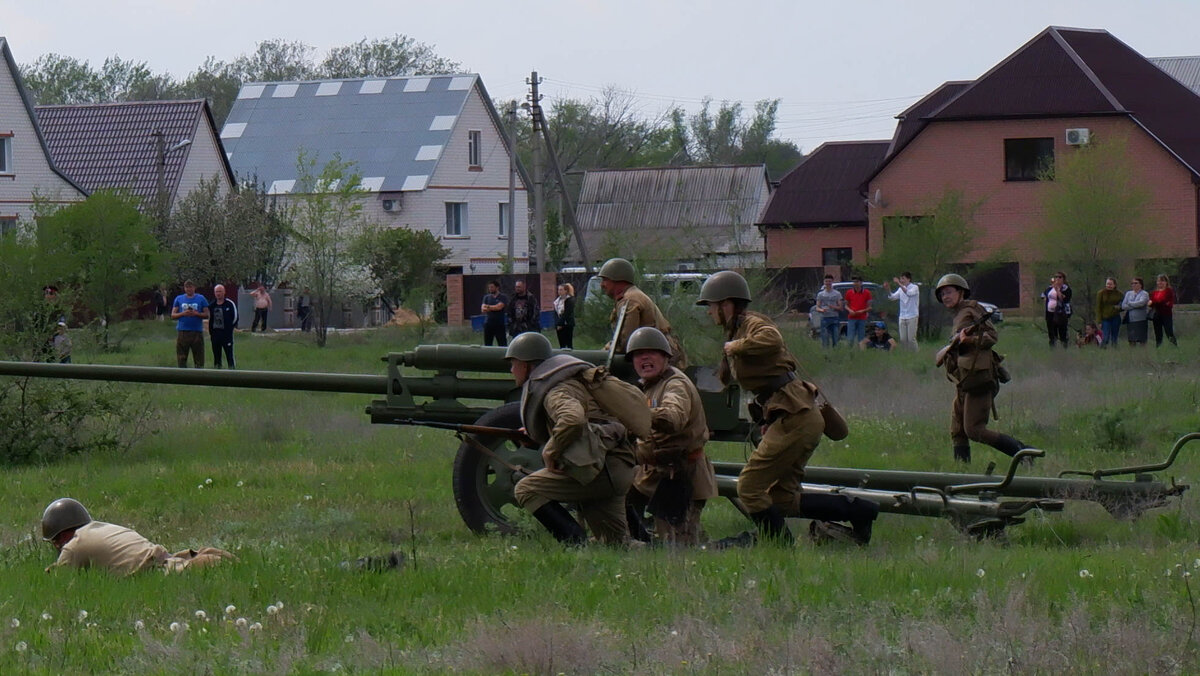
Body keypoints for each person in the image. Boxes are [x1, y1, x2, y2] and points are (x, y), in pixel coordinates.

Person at [696, 271, 878, 547]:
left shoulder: (752, 324)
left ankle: (780, 547)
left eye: (711, 305)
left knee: (748, 487)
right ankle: (859, 511)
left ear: (727, 303)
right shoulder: (737, 329)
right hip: (791, 415)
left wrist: (736, 346)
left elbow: (772, 340)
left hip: (797, 416)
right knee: (781, 498)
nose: (709, 312)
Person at [508, 332, 637, 545]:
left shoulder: (555, 391)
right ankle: (672, 552)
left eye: (513, 363)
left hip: (597, 471)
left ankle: (575, 545)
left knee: (526, 488)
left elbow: (573, 419)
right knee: (616, 544)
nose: (511, 370)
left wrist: (551, 450)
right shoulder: (573, 381)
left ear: (526, 365)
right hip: (615, 465)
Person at [625, 327, 717, 546]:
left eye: (651, 352)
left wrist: (634, 414)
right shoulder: (648, 386)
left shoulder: (676, 385)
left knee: (677, 548)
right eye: (638, 354)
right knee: (619, 514)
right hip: (651, 473)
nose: (644, 358)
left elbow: (673, 417)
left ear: (666, 357)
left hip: (680, 475)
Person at [934, 274, 1031, 464]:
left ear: (961, 292)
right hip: (964, 378)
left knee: (974, 430)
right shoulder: (958, 315)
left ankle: (1024, 453)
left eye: (949, 292)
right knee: (958, 430)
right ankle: (963, 474)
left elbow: (991, 336)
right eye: (943, 294)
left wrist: (967, 339)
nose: (946, 296)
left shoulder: (972, 309)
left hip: (979, 377)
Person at [41, 498, 234, 576]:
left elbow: (58, 578)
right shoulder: (100, 527)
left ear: (60, 537)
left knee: (202, 570)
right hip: (160, 557)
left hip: (152, 571)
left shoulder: (74, 546)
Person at [597, 257, 687, 368]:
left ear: (617, 279)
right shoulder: (631, 296)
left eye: (605, 280)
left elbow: (626, 343)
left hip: (658, 359)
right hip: (657, 355)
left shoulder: (630, 301)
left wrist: (603, 352)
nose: (602, 285)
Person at [171, 280, 209, 368]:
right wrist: (183, 314)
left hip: (197, 332)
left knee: (199, 358)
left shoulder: (201, 298)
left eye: (191, 287)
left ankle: (198, 377)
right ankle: (183, 376)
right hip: (183, 332)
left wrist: (196, 314)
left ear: (194, 288)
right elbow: (173, 315)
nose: (189, 289)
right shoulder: (179, 299)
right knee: (181, 358)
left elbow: (207, 314)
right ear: (184, 288)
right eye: (187, 287)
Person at [884, 272, 920, 350]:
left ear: (908, 279)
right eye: (900, 279)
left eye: (903, 278)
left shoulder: (915, 287)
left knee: (911, 339)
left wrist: (899, 283)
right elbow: (892, 297)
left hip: (912, 316)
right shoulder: (900, 289)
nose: (901, 280)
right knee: (903, 339)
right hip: (902, 316)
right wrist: (888, 289)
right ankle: (906, 354)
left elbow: (909, 293)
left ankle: (915, 354)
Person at [209, 284, 239, 369]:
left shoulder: (229, 304)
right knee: (216, 356)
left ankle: (232, 371)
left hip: (227, 335)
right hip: (215, 335)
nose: (218, 293)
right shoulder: (212, 305)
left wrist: (229, 328)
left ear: (224, 292)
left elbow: (235, 317)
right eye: (216, 292)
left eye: (220, 291)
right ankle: (217, 372)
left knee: (229, 355)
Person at [1041, 272, 1072, 348]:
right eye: (1056, 277)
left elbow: (1063, 299)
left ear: (1063, 279)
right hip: (1050, 313)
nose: (1057, 279)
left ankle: (1064, 349)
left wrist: (1057, 289)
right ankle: (1053, 349)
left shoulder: (1066, 289)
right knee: (1052, 333)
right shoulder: (1050, 288)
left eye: (1059, 277)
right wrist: (1045, 298)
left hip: (1061, 313)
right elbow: (1043, 294)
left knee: (1062, 332)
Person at [1148, 274, 1178, 347]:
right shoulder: (1154, 292)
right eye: (1158, 281)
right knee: (1158, 333)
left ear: (1166, 282)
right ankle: (1158, 347)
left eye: (1162, 281)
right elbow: (1151, 303)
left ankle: (1174, 346)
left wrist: (1154, 302)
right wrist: (1154, 302)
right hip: (1156, 315)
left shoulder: (1169, 291)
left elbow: (1165, 302)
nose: (1160, 283)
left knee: (1169, 331)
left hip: (1166, 314)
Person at [814, 275, 844, 348]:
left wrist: (834, 307)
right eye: (826, 281)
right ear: (824, 282)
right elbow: (817, 307)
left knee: (835, 339)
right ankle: (826, 355)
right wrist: (822, 310)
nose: (828, 283)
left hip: (834, 318)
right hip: (824, 318)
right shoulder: (820, 294)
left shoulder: (837, 294)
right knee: (825, 339)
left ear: (832, 282)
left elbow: (841, 307)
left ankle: (835, 353)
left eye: (829, 281)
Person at [843, 275, 873, 346]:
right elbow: (846, 305)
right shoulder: (849, 292)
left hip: (862, 318)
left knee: (861, 337)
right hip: (852, 317)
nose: (855, 283)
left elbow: (870, 307)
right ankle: (850, 352)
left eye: (857, 282)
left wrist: (862, 311)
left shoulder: (867, 293)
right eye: (854, 282)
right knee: (850, 337)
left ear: (861, 283)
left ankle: (861, 351)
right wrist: (850, 310)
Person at [1120, 277, 1150, 347]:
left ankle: (1143, 354)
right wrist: (1134, 305)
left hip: (1141, 319)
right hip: (1131, 320)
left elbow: (1141, 303)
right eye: (1132, 283)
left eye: (1136, 283)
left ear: (1141, 284)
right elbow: (1123, 306)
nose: (1133, 285)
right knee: (1132, 339)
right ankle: (1133, 354)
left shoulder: (1144, 293)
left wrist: (1130, 303)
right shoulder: (1128, 293)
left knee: (1142, 339)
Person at [1095, 277, 1123, 348]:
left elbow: (1124, 304)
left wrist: (1119, 307)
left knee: (1114, 337)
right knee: (1105, 337)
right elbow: (1098, 308)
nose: (1109, 286)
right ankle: (1102, 350)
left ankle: (1114, 352)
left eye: (1110, 284)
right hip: (1105, 318)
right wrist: (1099, 321)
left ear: (1114, 285)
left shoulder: (1119, 294)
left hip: (1115, 317)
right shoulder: (1101, 293)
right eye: (1107, 284)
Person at [480, 280, 509, 347]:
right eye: (489, 287)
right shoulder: (486, 297)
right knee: (487, 344)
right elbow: (483, 309)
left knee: (502, 344)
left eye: (492, 287)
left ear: (497, 287)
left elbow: (499, 307)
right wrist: (492, 307)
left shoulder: (503, 297)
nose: (490, 289)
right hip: (488, 324)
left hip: (499, 324)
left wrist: (488, 306)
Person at [553, 283, 575, 349]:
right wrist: (557, 323)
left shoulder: (570, 300)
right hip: (559, 323)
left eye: (561, 290)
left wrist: (561, 324)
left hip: (567, 324)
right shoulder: (557, 301)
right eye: (558, 290)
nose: (559, 291)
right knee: (562, 343)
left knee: (568, 343)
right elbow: (555, 313)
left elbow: (567, 313)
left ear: (566, 291)